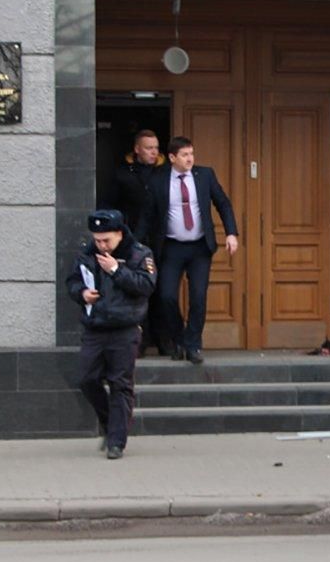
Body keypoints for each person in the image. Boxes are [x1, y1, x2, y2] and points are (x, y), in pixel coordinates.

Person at [137, 136, 239, 365]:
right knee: (166, 296)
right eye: (184, 155)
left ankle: (192, 345)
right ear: (172, 157)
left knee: (198, 297)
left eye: (191, 153)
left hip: (199, 247)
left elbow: (222, 203)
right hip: (171, 248)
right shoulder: (158, 180)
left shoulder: (205, 175)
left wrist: (231, 233)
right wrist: (134, 244)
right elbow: (147, 215)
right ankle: (179, 339)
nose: (190, 158)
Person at [65, 209, 157, 460]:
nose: (102, 245)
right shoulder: (88, 254)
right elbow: (72, 281)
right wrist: (81, 293)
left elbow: (146, 286)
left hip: (124, 328)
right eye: (97, 240)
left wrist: (117, 270)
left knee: (120, 384)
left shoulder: (138, 253)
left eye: (107, 240)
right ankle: (111, 423)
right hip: (95, 327)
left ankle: (117, 441)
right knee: (86, 379)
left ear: (119, 233)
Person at [105, 129, 165, 355]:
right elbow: (109, 203)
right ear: (137, 149)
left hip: (162, 239)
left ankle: (163, 340)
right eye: (149, 148)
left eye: (156, 148)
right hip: (133, 240)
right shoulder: (123, 173)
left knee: (162, 291)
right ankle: (139, 340)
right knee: (135, 289)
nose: (153, 152)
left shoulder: (165, 173)